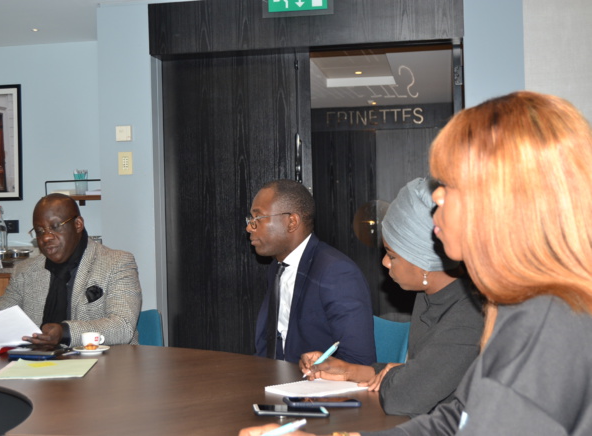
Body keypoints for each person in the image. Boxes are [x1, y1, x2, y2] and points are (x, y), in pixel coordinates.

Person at [240, 92, 592, 436]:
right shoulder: (518, 308)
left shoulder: (551, 324)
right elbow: (452, 421)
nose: (436, 196)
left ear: (509, 200)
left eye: (450, 184)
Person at [299, 177, 484, 417]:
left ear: (423, 259)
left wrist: (405, 373)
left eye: (392, 255)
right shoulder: (428, 294)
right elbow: (422, 374)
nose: (385, 263)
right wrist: (350, 371)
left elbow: (405, 398)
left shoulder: (471, 313)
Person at [0, 193, 142, 347]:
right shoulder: (25, 272)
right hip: (39, 369)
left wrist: (65, 332)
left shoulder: (117, 263)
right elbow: (3, 322)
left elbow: (122, 327)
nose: (46, 238)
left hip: (105, 369)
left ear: (78, 224)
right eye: (39, 231)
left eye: (55, 227)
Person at [248, 179, 375, 365]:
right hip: (275, 378)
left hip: (317, 388)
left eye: (257, 218)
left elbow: (359, 360)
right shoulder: (277, 267)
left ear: (291, 222)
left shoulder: (336, 272)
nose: (249, 227)